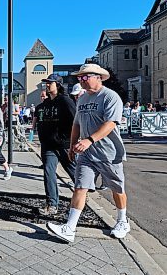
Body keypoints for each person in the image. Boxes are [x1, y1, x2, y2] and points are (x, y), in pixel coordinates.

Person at [47, 64, 129, 243]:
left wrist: (89, 140)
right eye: (79, 78)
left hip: (108, 153)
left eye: (85, 77)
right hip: (87, 154)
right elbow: (76, 124)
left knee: (117, 188)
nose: (81, 81)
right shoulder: (82, 99)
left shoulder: (110, 97)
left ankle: (122, 220)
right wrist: (72, 145)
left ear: (98, 77)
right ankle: (70, 228)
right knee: (80, 187)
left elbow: (110, 124)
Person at [34, 74, 76, 215]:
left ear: (57, 85)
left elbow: (76, 121)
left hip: (64, 144)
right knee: (48, 172)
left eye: (49, 83)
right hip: (48, 145)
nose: (47, 85)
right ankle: (52, 204)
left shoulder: (65, 101)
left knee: (74, 172)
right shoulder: (45, 104)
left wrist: (74, 141)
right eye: (46, 83)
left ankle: (82, 195)